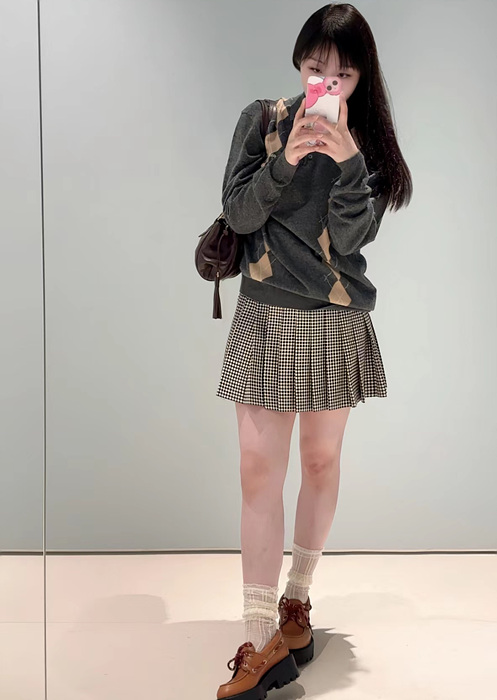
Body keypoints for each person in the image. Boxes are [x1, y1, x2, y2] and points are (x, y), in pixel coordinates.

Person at [215, 3, 412, 698]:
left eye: (342, 73)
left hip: (333, 316)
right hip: (265, 312)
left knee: (320, 461)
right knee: (256, 470)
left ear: (361, 79)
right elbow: (238, 214)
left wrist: (347, 159)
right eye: (314, 67)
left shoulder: (368, 148)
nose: (326, 82)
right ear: (299, 64)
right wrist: (287, 160)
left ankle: (296, 601)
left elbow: (351, 240)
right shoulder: (262, 120)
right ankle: (255, 633)